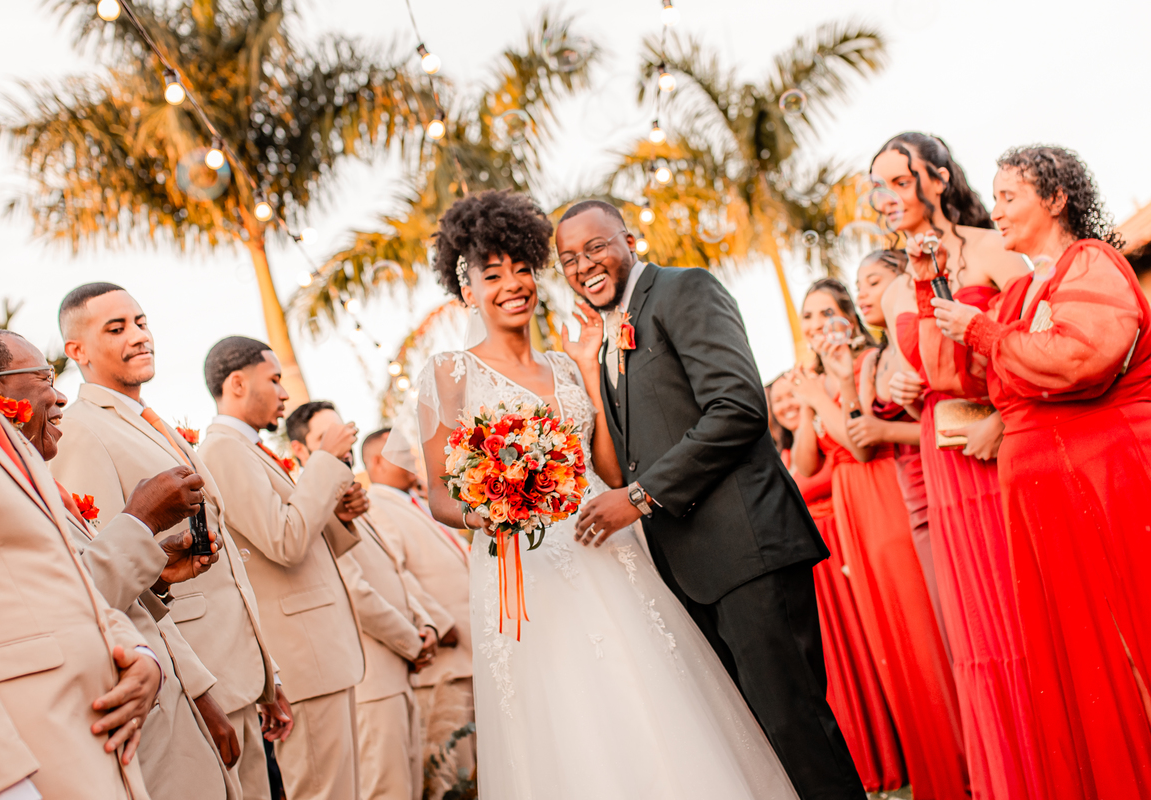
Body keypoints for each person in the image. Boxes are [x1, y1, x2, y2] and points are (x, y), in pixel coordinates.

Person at [401, 190, 802, 800]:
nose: (514, 284)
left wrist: (588, 371)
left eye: (523, 269)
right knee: (568, 710)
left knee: (650, 691)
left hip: (604, 543)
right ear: (467, 291)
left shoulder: (566, 366)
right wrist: (499, 509)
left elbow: (609, 472)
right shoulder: (449, 374)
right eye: (493, 275)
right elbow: (439, 497)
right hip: (523, 569)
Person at [556, 198, 862, 800]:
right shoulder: (611, 337)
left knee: (794, 725)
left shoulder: (683, 290)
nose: (583, 265)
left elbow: (739, 407)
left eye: (595, 246)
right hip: (691, 568)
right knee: (753, 738)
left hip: (746, 548)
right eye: (568, 259)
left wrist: (639, 497)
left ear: (631, 239)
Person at [919, 145, 1151, 800]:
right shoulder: (1025, 289)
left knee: (1143, 634)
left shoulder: (1093, 263)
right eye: (995, 198)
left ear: (1056, 199)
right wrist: (930, 289)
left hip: (1110, 477)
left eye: (1009, 197)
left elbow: (1084, 357)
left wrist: (989, 335)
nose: (994, 210)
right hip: (1049, 500)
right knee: (1089, 657)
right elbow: (959, 376)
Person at [0, 327, 235, 800]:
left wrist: (157, 573)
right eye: (45, 377)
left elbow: (97, 588)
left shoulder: (43, 486)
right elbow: (62, 604)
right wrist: (140, 518)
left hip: (167, 713)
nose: (61, 396)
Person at [51, 284, 289, 800]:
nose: (139, 336)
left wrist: (268, 677)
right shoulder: (81, 431)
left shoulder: (151, 421)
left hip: (240, 671)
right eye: (116, 329)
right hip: (193, 681)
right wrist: (201, 695)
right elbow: (109, 572)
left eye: (140, 321)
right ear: (78, 352)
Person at [871, 132, 1045, 800]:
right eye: (876, 187)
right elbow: (896, 367)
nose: (884, 198)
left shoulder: (992, 247)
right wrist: (895, 374)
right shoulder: (892, 294)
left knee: (1031, 610)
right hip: (945, 462)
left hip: (1007, 442)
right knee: (978, 632)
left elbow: (1037, 334)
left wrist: (1008, 415)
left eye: (896, 181)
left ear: (936, 179)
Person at [0, 202, 158, 800]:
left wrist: (135, 648)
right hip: (18, 762)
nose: (56, 397)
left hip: (96, 733)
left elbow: (51, 565)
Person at [791, 279, 968, 800]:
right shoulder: (815, 382)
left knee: (921, 631)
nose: (818, 325)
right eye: (809, 317)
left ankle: (964, 767)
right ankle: (934, 770)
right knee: (892, 645)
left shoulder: (869, 365)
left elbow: (861, 445)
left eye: (827, 312)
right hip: (851, 515)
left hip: (887, 497)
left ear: (848, 315)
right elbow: (804, 464)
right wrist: (808, 400)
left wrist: (822, 396)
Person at [199, 342, 367, 800]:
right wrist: (326, 463)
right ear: (236, 383)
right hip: (303, 660)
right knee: (324, 792)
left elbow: (307, 537)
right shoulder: (223, 449)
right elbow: (284, 541)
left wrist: (342, 513)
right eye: (273, 380)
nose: (283, 394)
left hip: (322, 656)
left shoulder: (250, 448)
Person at [280, 410, 437, 800]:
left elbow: (396, 572)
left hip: (398, 676)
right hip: (372, 681)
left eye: (343, 433)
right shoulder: (309, 506)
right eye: (326, 437)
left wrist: (427, 623)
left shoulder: (351, 497)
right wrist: (413, 642)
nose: (342, 445)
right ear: (300, 450)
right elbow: (357, 591)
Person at [766, 377, 903, 795]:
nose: (787, 405)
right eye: (780, 401)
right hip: (818, 566)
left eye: (792, 395)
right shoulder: (785, 452)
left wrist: (810, 405)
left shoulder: (825, 434)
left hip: (847, 539)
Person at [361, 428, 475, 797]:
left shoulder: (417, 501)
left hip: (471, 654)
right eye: (399, 452)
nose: (411, 458)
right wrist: (440, 625)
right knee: (457, 771)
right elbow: (395, 573)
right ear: (377, 462)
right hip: (445, 658)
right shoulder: (376, 505)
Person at [845, 250, 948, 657]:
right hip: (912, 501)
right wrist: (842, 379)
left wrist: (886, 428)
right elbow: (863, 445)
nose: (862, 294)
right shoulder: (873, 361)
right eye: (858, 287)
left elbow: (947, 421)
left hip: (942, 470)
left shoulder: (922, 338)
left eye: (873, 282)